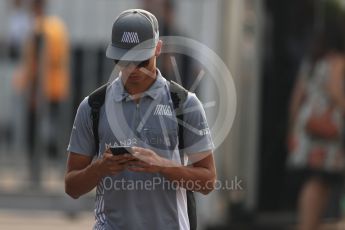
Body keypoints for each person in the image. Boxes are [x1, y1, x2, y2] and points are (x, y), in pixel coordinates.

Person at [65, 9, 216, 230]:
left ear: (158, 49)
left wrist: (162, 165)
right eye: (123, 61)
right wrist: (99, 168)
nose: (132, 69)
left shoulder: (184, 104)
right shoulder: (93, 107)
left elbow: (208, 181)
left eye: (141, 61)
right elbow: (72, 187)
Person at [287, 3, 345, 229]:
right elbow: (334, 90)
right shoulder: (338, 60)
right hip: (327, 132)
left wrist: (292, 129)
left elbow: (297, 96)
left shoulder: (313, 59)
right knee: (320, 182)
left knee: (315, 181)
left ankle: (306, 224)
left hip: (307, 127)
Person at [15, 0, 69, 183]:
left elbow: (38, 63)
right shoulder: (58, 27)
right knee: (58, 131)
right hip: (58, 87)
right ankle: (60, 169)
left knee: (34, 133)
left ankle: (35, 174)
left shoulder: (39, 29)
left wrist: (33, 92)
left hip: (41, 90)